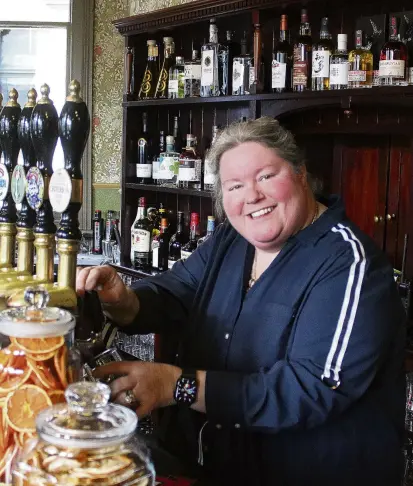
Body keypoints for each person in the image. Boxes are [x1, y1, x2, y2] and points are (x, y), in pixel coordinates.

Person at [77, 117, 406, 486]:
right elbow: (173, 292)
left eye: (265, 176)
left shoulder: (349, 263)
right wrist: (121, 300)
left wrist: (176, 385)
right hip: (218, 464)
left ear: (300, 173)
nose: (251, 196)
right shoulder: (230, 242)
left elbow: (311, 390)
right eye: (235, 185)